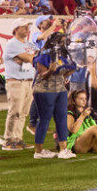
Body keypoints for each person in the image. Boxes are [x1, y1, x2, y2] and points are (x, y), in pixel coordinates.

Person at [30, 29, 77, 159]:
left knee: (62, 119)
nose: (64, 44)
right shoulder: (43, 55)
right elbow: (43, 75)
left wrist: (72, 69)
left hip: (60, 89)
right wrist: (51, 70)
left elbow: (63, 73)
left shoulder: (61, 57)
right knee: (44, 120)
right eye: (62, 42)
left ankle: (63, 149)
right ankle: (38, 151)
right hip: (45, 90)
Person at [1, 19, 39, 150]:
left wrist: (26, 57)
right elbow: (31, 58)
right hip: (16, 81)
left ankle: (18, 138)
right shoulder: (12, 44)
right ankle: (8, 139)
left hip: (28, 80)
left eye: (28, 27)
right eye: (24, 27)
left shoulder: (29, 44)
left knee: (23, 113)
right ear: (16, 29)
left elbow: (38, 56)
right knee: (15, 111)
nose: (27, 29)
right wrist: (29, 56)